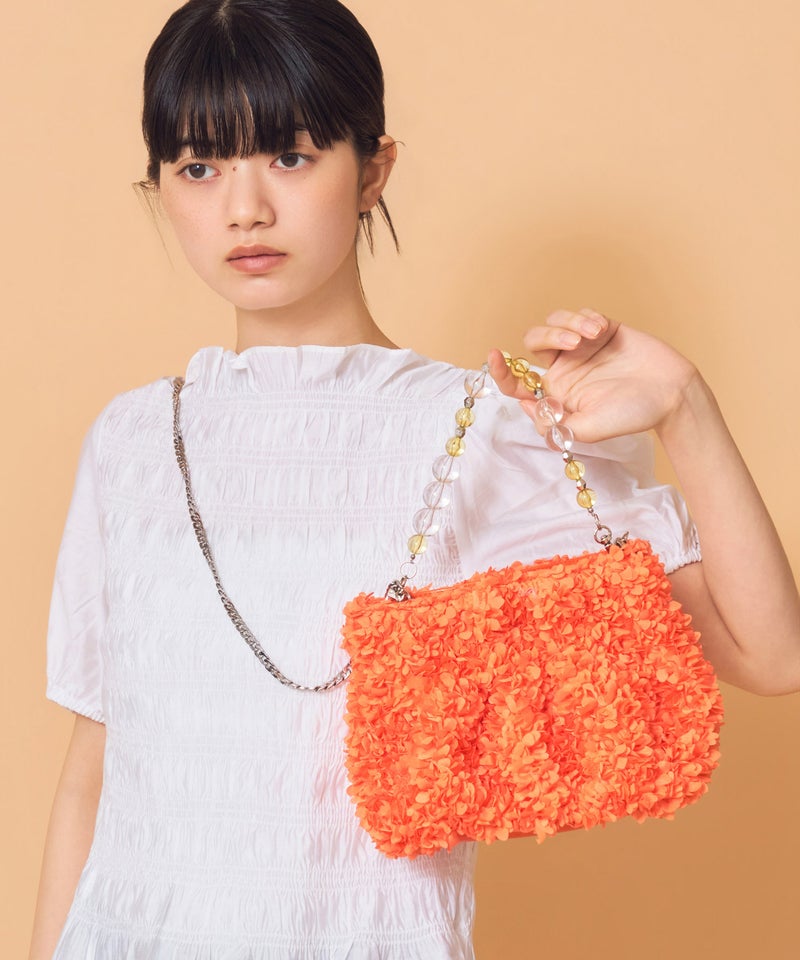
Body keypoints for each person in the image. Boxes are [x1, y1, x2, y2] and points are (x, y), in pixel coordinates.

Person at [28, 0, 800, 957]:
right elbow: (93, 771)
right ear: (159, 187)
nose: (243, 207)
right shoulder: (133, 441)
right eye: (198, 167)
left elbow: (772, 655)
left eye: (290, 156)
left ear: (373, 171)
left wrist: (686, 408)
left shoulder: (479, 430)